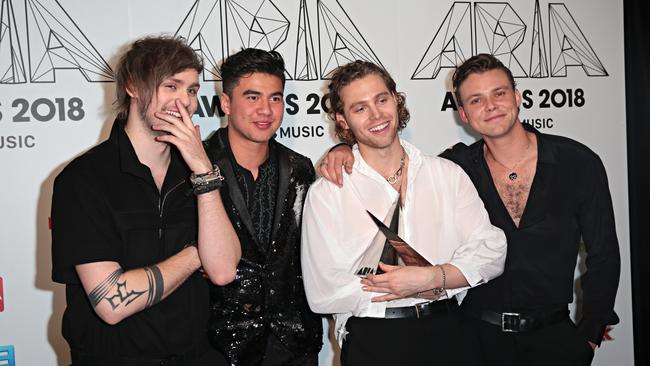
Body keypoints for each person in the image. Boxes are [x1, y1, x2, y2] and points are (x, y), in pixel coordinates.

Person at [322, 54, 621, 366]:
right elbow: (387, 158)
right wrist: (342, 149)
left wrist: (589, 333)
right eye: (476, 100)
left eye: (499, 93)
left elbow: (604, 254)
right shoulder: (453, 168)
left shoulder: (577, 162)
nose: (490, 106)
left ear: (518, 97)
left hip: (556, 339)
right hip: (473, 341)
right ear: (463, 113)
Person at [301, 60, 507, 365]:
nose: (376, 115)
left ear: (396, 100)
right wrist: (402, 286)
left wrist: (430, 278)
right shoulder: (329, 192)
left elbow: (491, 251)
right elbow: (323, 290)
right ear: (342, 120)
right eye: (360, 108)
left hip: (450, 331)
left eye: (381, 100)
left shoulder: (446, 174)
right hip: (373, 338)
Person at [51, 35, 239, 365]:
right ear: (133, 86)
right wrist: (197, 254)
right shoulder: (83, 179)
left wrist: (203, 173)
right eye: (172, 86)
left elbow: (223, 270)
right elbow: (112, 302)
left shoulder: (203, 170)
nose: (185, 102)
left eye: (192, 90)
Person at [201, 48, 322, 366]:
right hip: (216, 347)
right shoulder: (195, 165)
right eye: (252, 97)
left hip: (294, 345)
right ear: (226, 103)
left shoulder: (301, 168)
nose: (266, 110)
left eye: (275, 98)